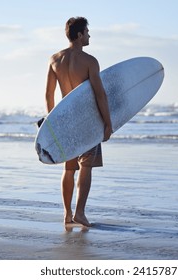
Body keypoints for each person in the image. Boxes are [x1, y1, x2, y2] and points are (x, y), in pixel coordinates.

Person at [44, 17, 112, 227]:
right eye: (87, 32)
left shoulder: (55, 59)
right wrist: (108, 123)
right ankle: (80, 214)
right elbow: (100, 95)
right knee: (86, 166)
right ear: (80, 34)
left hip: (64, 119)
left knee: (69, 167)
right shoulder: (90, 61)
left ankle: (67, 214)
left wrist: (52, 122)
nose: (89, 35)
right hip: (87, 120)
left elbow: (49, 95)